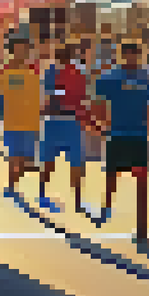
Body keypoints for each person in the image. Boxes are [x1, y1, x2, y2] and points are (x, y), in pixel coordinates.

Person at [93, 41, 149, 242]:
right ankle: (107, 206)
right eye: (128, 54)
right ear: (122, 55)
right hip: (117, 133)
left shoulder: (146, 78)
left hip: (137, 134)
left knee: (141, 178)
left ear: (138, 55)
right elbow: (99, 102)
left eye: (134, 54)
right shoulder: (110, 77)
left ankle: (141, 227)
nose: (131, 57)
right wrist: (103, 124)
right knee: (112, 173)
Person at [38, 41, 95, 213]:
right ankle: (77, 200)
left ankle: (42, 194)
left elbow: (50, 94)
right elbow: (83, 97)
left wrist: (60, 94)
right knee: (75, 163)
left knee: (49, 161)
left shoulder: (52, 72)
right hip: (70, 121)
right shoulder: (78, 72)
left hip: (56, 120)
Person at [0, 28, 43, 201]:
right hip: (12, 121)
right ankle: (11, 186)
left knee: (25, 160)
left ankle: (15, 181)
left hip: (31, 122)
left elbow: (40, 92)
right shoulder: (3, 71)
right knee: (14, 156)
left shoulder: (35, 70)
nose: (22, 51)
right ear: (12, 49)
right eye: (19, 47)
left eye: (25, 48)